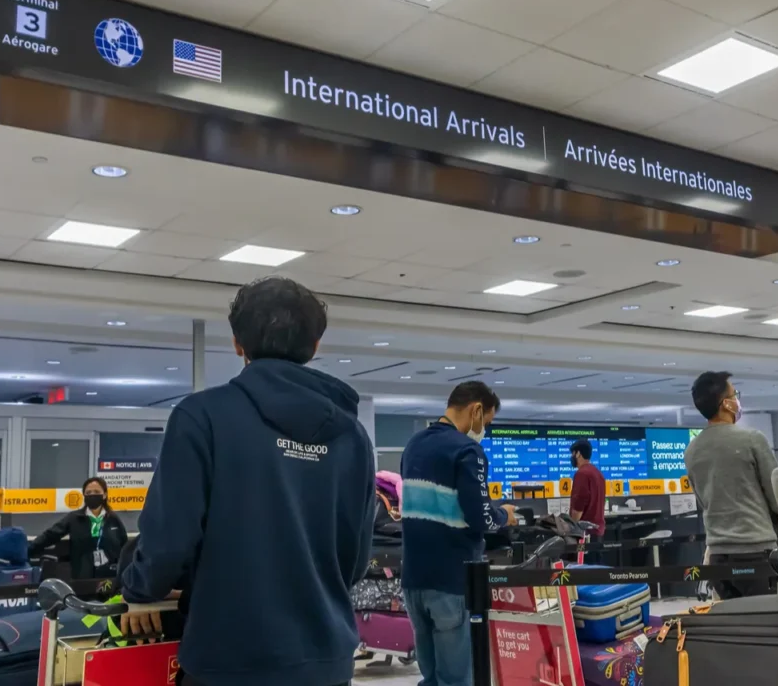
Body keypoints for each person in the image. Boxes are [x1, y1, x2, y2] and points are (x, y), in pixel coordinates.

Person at [119, 277, 375, 686]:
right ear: (315, 346)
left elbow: (170, 539)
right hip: (326, 660)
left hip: (230, 659)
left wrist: (139, 590)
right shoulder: (352, 435)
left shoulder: (201, 417)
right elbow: (357, 559)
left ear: (238, 343)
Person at [401, 381, 517, 686]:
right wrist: (504, 515)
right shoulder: (467, 450)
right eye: (487, 422)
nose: (484, 430)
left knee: (431, 677)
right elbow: (479, 517)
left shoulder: (414, 444)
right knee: (456, 680)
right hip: (451, 580)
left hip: (413, 579)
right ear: (476, 410)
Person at [685, 371, 778, 599]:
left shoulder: (692, 451)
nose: (737, 399)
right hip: (755, 550)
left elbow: (703, 501)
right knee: (765, 625)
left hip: (717, 554)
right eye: (734, 394)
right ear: (726, 404)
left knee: (735, 626)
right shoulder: (752, 440)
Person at [31, 477, 128, 579]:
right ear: (84, 496)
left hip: (110, 578)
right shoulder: (74, 518)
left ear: (104, 495)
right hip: (83, 579)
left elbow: (125, 547)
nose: (92, 495)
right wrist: (27, 550)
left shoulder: (113, 519)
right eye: (88, 492)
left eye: (96, 491)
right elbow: (50, 535)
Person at [569, 439, 606, 536]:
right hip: (598, 531)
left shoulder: (582, 474)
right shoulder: (598, 474)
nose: (571, 457)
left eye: (572, 453)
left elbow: (578, 507)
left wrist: (571, 528)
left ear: (578, 454)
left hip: (585, 534)